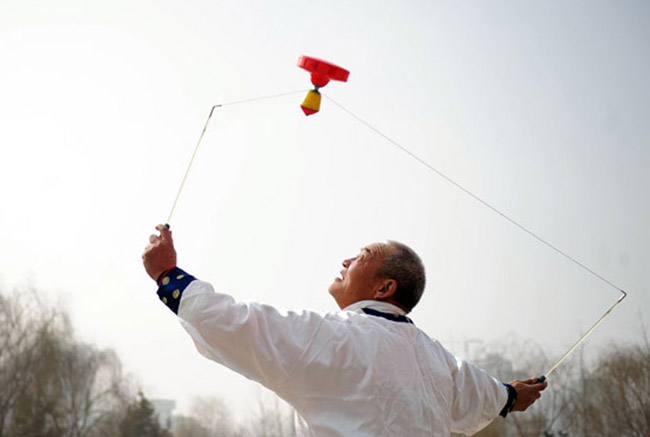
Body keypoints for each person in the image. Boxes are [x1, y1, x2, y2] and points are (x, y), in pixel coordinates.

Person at [142, 224, 547, 436]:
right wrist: (514, 395)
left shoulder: (331, 338)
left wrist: (166, 274)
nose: (347, 259)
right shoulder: (439, 359)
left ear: (385, 287)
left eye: (363, 256)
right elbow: (487, 395)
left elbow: (232, 323)